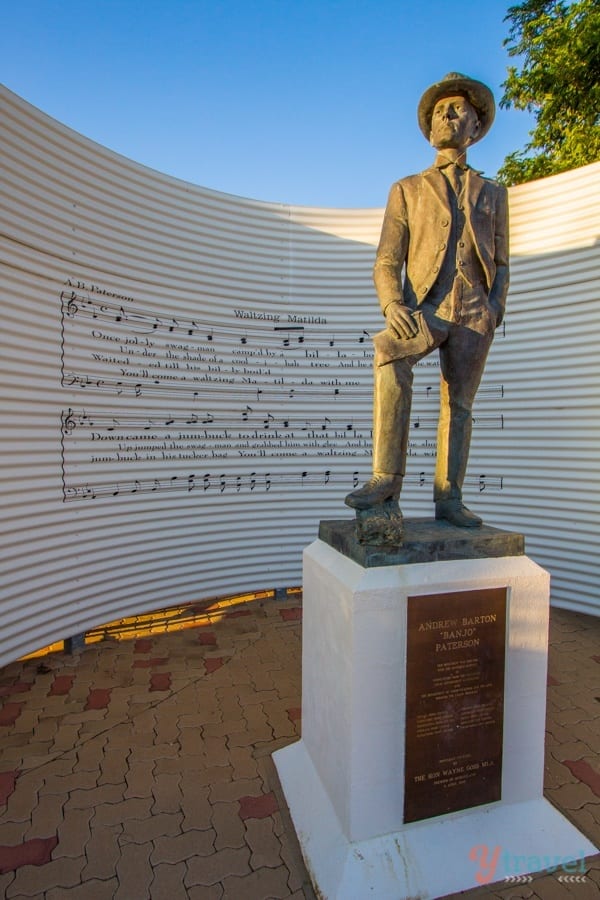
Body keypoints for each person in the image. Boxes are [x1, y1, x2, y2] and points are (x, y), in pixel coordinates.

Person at [345, 72, 509, 528]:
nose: (446, 114)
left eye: (457, 109)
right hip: (425, 308)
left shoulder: (494, 193)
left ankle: (449, 498)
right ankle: (385, 480)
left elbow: (504, 261)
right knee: (388, 351)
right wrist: (393, 304)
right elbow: (385, 260)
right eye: (439, 110)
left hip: (475, 311)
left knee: (459, 406)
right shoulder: (407, 189)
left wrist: (496, 306)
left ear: (476, 126)